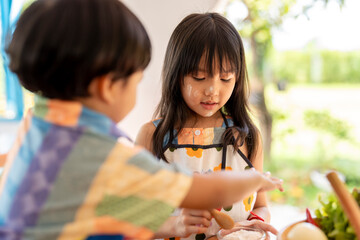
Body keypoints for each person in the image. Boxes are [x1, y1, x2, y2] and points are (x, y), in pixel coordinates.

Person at [0, 0, 283, 239]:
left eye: (225, 78)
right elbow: (202, 191)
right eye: (136, 79)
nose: (212, 88)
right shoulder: (102, 154)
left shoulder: (35, 125)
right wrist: (257, 180)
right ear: (107, 86)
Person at [136, 13, 277, 240]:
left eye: (225, 78)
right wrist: (175, 224)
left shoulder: (247, 138)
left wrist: (253, 225)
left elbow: (261, 205)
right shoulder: (152, 136)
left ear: (238, 78)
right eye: (199, 77)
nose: (212, 90)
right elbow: (133, 218)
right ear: (176, 74)